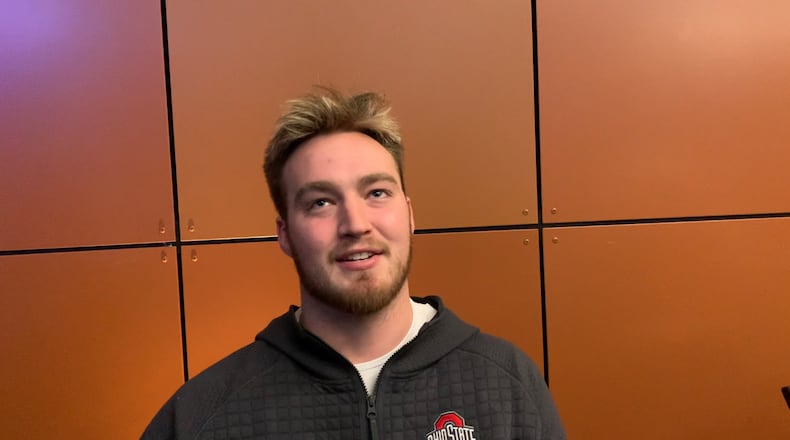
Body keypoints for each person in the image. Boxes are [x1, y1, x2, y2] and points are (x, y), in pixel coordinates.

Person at [142, 87, 566, 439]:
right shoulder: (203, 417)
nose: (356, 224)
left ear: (409, 213)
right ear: (285, 233)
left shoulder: (510, 387)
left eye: (376, 193)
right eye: (321, 202)